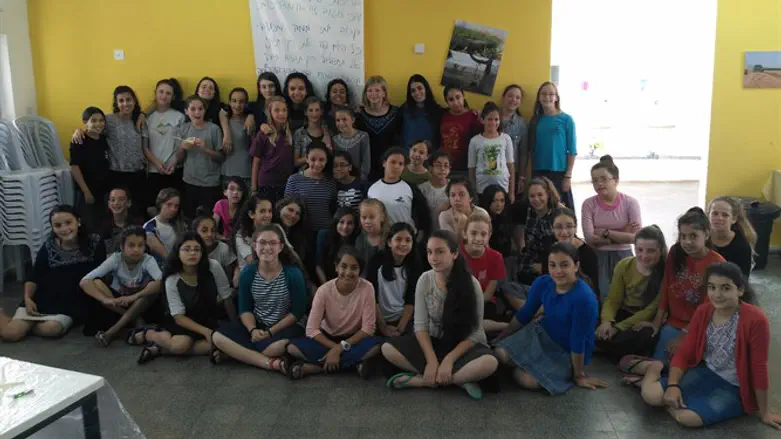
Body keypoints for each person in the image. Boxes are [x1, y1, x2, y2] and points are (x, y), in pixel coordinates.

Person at [632, 262, 781, 429]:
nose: (717, 294)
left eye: (725, 288)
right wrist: (673, 385)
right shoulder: (704, 311)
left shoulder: (755, 320)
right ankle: (655, 368)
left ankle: (665, 390)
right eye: (712, 287)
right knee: (651, 396)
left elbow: (759, 367)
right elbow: (685, 352)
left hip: (733, 387)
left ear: (740, 290)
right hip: (704, 371)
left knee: (688, 419)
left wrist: (765, 413)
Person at [381, 230, 498, 400]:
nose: (433, 257)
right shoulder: (425, 280)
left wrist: (449, 360)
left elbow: (475, 332)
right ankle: (456, 379)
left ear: (455, 254)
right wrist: (432, 361)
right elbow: (420, 326)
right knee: (387, 348)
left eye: (440, 251)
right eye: (429, 252)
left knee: (490, 362)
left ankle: (424, 380)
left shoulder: (471, 285)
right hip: (433, 342)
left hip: (461, 346)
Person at [494, 242, 607, 395]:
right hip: (540, 334)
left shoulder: (584, 299)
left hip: (566, 351)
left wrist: (579, 375)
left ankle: (519, 366)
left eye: (564, 265)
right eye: (552, 265)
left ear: (576, 266)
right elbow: (524, 314)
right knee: (499, 353)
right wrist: (502, 337)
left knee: (529, 382)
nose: (557, 271)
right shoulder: (543, 283)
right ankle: (521, 363)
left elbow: (577, 340)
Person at [0, 206, 105, 342]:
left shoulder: (95, 242)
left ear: (78, 222)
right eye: (58, 225)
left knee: (52, 330)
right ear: (53, 228)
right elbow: (34, 276)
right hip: (43, 300)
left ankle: (23, 326)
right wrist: (27, 298)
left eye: (68, 222)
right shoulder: (48, 246)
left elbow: (100, 274)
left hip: (72, 305)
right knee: (11, 335)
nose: (64, 228)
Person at [212, 224, 308, 372]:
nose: (267, 248)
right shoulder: (248, 272)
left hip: (285, 326)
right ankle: (271, 363)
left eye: (273, 243)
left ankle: (237, 354)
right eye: (262, 243)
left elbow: (298, 312)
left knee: (275, 348)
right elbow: (245, 309)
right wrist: (253, 330)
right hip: (258, 325)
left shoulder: (293, 273)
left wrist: (271, 332)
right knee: (217, 337)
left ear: (281, 246)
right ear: (254, 245)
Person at [134, 233, 235, 364]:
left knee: (223, 343)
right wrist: (206, 332)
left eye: (197, 249)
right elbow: (178, 317)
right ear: (178, 252)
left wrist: (236, 325)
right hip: (183, 320)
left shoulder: (213, 266)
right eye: (187, 249)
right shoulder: (172, 278)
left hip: (207, 317)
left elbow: (226, 297)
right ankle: (147, 334)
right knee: (181, 345)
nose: (192, 253)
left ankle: (159, 350)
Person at [287, 246, 381, 379]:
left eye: (354, 268)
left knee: (377, 345)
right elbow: (311, 329)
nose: (348, 272)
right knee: (292, 347)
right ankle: (353, 365)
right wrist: (335, 348)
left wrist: (340, 348)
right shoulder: (324, 290)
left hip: (353, 339)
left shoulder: (367, 288)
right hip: (327, 339)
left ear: (360, 270)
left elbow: (368, 329)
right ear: (336, 267)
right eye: (344, 266)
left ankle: (316, 368)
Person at [646, 207, 726, 363]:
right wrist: (656, 321)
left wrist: (684, 335)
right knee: (659, 361)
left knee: (674, 365)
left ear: (707, 235)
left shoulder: (717, 264)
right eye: (683, 236)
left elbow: (709, 308)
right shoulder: (676, 253)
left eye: (693, 236)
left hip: (701, 327)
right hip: (672, 323)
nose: (687, 242)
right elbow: (666, 288)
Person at [80, 226, 162, 347]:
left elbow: (161, 282)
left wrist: (133, 297)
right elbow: (85, 281)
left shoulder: (147, 260)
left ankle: (112, 332)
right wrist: (106, 300)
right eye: (131, 245)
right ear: (122, 247)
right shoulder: (115, 259)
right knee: (97, 283)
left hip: (139, 301)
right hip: (117, 302)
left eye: (141, 245)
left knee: (152, 288)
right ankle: (135, 318)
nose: (136, 250)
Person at [595, 225, 667, 362]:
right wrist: (607, 322)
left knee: (646, 335)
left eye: (650, 251)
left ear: (661, 250)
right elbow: (613, 299)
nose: (644, 256)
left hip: (642, 318)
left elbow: (651, 309)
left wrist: (617, 328)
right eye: (639, 250)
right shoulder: (624, 265)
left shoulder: (665, 273)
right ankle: (612, 348)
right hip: (622, 312)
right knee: (592, 320)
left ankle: (607, 347)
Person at [72, 86, 147, 216]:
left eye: (128, 99)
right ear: (116, 103)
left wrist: (143, 114)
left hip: (138, 173)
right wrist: (78, 131)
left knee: (138, 210)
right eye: (121, 100)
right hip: (116, 174)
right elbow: (93, 128)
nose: (125, 103)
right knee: (117, 211)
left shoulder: (140, 120)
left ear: (134, 101)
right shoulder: (109, 120)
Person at [581, 155, 642, 298]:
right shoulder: (589, 204)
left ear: (616, 180)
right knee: (602, 295)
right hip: (597, 257)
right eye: (595, 181)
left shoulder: (630, 203)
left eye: (603, 179)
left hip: (624, 256)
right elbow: (589, 238)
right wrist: (622, 233)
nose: (599, 184)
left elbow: (637, 238)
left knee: (627, 295)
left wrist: (606, 233)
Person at [523, 82, 576, 209]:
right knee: (540, 208)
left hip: (559, 172)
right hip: (539, 172)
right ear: (539, 98)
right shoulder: (535, 121)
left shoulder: (567, 119)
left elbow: (572, 150)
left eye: (551, 94)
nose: (547, 97)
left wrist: (568, 176)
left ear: (556, 98)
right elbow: (530, 151)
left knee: (561, 209)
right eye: (544, 94)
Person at [171, 95, 224, 219]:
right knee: (190, 217)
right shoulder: (183, 129)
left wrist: (205, 149)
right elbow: (178, 159)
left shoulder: (214, 129)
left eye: (200, 109)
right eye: (193, 109)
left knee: (208, 218)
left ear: (204, 110)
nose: (197, 112)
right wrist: (183, 147)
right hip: (189, 181)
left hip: (210, 183)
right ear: (186, 111)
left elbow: (221, 157)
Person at [366, 223, 423, 337]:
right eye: (398, 239)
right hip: (377, 318)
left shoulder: (415, 265)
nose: (403, 244)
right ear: (389, 242)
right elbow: (371, 298)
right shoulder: (376, 261)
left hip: (403, 319)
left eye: (408, 240)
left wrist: (400, 328)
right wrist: (383, 327)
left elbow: (411, 300)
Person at [142, 79, 187, 210]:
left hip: (174, 169)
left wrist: (174, 162)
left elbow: (181, 145)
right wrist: (156, 163)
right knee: (154, 209)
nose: (164, 95)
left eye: (168, 93)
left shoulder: (179, 117)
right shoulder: (147, 118)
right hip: (153, 170)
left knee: (174, 208)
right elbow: (145, 146)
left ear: (173, 97)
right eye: (161, 92)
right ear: (155, 93)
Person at [460, 212, 508, 333]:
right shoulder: (456, 254)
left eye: (483, 234)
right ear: (465, 234)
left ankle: (507, 326)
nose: (478, 238)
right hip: (459, 300)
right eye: (473, 233)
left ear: (489, 236)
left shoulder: (496, 257)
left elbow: (488, 294)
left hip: (484, 302)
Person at [368, 147, 431, 235]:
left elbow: (423, 214)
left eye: (400, 164)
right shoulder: (372, 189)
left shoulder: (410, 188)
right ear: (384, 163)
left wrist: (420, 236)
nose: (396, 166)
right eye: (393, 162)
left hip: (406, 238)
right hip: (381, 238)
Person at [543, 208, 600, 299]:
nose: (564, 232)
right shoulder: (549, 247)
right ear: (552, 228)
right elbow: (546, 280)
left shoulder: (588, 253)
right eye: (558, 227)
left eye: (569, 226)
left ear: (575, 228)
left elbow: (593, 289)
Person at [515, 177, 560, 287]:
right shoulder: (527, 211)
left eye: (540, 195)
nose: (536, 199)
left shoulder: (558, 214)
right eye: (532, 196)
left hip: (553, 263)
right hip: (530, 262)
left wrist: (544, 266)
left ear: (547, 194)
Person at [70, 106, 110, 230]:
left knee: (103, 224)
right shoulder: (79, 140)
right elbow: (75, 167)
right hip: (87, 192)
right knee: (89, 226)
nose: (98, 124)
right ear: (85, 122)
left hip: (103, 191)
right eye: (94, 120)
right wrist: (86, 191)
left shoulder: (103, 140)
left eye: (101, 120)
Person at [250, 95, 294, 205]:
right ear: (270, 112)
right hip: (266, 183)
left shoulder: (290, 133)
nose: (281, 113)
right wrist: (254, 189)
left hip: (286, 184)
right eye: (277, 110)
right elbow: (256, 163)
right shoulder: (262, 135)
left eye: (284, 110)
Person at [356, 76, 402, 180]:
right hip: (367, 165)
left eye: (377, 90)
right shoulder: (359, 114)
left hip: (390, 164)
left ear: (384, 93)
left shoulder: (396, 113)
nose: (373, 94)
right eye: (370, 90)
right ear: (365, 94)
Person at [284, 141, 337, 231]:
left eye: (321, 160)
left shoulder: (331, 181)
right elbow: (286, 207)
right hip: (301, 231)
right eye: (313, 159)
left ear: (326, 160)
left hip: (326, 231)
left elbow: (333, 207)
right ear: (306, 158)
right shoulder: (294, 180)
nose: (317, 164)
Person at [468, 102, 515, 202]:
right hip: (482, 189)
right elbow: (471, 169)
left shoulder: (506, 139)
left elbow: (510, 166)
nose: (493, 123)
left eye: (496, 119)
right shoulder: (474, 141)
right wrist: (473, 192)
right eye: (489, 119)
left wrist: (511, 192)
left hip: (502, 188)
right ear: (482, 120)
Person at [708, 196, 756, 278]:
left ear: (734, 219)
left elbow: (742, 280)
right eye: (715, 213)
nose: (719, 218)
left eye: (725, 215)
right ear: (708, 215)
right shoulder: (702, 237)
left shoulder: (742, 246)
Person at [439, 85, 482, 175]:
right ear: (446, 102)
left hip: (464, 167)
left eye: (458, 97)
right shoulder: (443, 115)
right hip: (444, 167)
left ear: (463, 96)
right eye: (451, 99)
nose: (455, 102)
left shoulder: (473, 116)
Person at [316, 207, 360, 285]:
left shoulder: (357, 241)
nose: (345, 227)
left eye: (350, 223)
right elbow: (319, 266)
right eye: (341, 222)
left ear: (355, 225)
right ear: (336, 222)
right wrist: (326, 286)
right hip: (326, 282)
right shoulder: (323, 235)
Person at [232, 194, 274, 274]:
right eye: (262, 211)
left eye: (270, 211)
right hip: (251, 275)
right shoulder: (241, 236)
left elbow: (290, 254)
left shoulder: (277, 229)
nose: (268, 215)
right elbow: (253, 262)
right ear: (251, 214)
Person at [221, 87, 253, 187]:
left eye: (241, 102)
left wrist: (252, 116)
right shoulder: (224, 121)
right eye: (234, 101)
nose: (237, 105)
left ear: (246, 104)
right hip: (226, 172)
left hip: (246, 172)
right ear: (229, 102)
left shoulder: (250, 122)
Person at [144, 188, 186, 263]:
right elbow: (166, 256)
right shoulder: (149, 227)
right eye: (169, 205)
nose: (173, 209)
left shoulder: (179, 224)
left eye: (176, 206)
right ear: (160, 204)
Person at [401, 74, 443, 150]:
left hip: (429, 157)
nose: (417, 93)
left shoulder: (437, 110)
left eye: (420, 88)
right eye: (413, 90)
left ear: (426, 89)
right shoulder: (404, 109)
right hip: (408, 157)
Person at [98, 187, 144, 254]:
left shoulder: (138, 224)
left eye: (121, 199)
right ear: (109, 204)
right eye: (113, 200)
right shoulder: (103, 226)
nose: (116, 203)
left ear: (129, 203)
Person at [193, 214, 236, 283]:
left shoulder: (223, 248)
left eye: (213, 230)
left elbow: (229, 275)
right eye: (204, 231)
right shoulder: (191, 251)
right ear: (195, 233)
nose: (210, 234)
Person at [480, 184, 516, 265]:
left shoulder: (508, 216)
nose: (498, 204)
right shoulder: (481, 218)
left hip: (505, 259)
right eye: (494, 201)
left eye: (502, 200)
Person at [499, 84, 528, 187]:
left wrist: (522, 177)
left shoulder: (522, 123)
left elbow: (523, 153)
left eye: (517, 97)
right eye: (510, 96)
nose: (513, 99)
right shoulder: (491, 117)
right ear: (503, 97)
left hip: (512, 173)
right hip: (491, 171)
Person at [332, 108, 371, 181]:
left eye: (344, 119)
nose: (341, 123)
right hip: (341, 180)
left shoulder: (363, 136)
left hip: (358, 179)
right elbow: (336, 163)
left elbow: (366, 162)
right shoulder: (335, 139)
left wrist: (361, 180)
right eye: (338, 120)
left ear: (352, 120)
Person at [293, 97, 331, 169]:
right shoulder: (299, 133)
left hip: (325, 173)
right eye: (310, 110)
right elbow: (296, 162)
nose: (314, 113)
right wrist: (313, 155)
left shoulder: (328, 132)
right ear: (305, 112)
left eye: (317, 110)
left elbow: (332, 154)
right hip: (305, 175)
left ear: (322, 111)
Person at [355, 198, 390, 275]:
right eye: (364, 217)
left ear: (382, 217)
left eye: (372, 217)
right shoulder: (360, 240)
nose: (367, 221)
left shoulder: (390, 238)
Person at [419, 151, 451, 232]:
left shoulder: (454, 187)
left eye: (446, 166)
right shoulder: (422, 188)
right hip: (428, 232)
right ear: (430, 168)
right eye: (438, 165)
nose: (442, 169)